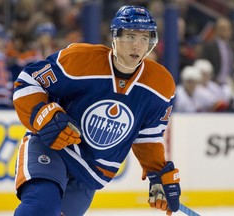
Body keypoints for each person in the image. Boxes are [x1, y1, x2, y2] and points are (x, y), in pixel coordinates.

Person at [13, 5, 181, 216]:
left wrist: (158, 173)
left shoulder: (160, 85)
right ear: (115, 37)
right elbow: (29, 81)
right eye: (130, 36)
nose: (137, 46)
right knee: (41, 207)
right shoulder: (80, 60)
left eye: (144, 38)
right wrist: (42, 116)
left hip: (91, 172)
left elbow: (148, 136)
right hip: (53, 148)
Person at [200, 17, 234, 86]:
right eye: (222, 28)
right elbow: (204, 64)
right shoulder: (209, 46)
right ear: (216, 30)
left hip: (228, 83)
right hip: (213, 83)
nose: (226, 31)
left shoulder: (232, 47)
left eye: (228, 28)